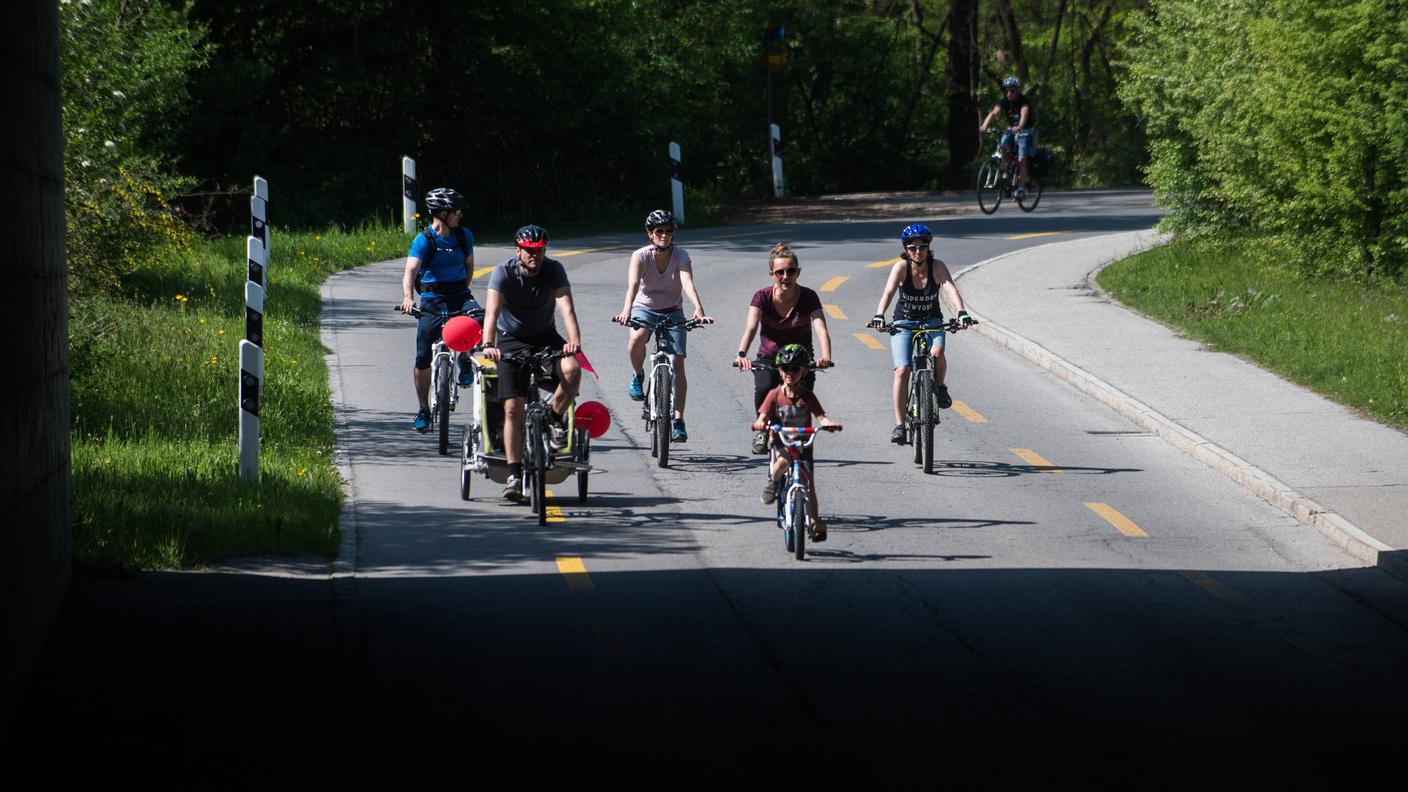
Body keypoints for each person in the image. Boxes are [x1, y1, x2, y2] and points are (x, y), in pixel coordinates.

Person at [480, 225, 583, 501]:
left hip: (545, 336)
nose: (534, 256)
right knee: (513, 408)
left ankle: (554, 418)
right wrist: (488, 344)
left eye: (539, 251)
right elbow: (491, 312)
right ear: (518, 250)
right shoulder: (503, 272)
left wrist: (573, 341)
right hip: (509, 339)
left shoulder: (554, 270)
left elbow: (566, 308)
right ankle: (513, 474)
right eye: (529, 251)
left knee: (572, 371)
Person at [611, 209, 713, 442]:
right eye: (659, 231)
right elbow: (633, 285)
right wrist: (626, 311)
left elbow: (687, 283)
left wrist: (698, 308)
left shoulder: (681, 255)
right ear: (650, 234)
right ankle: (638, 376)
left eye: (669, 231)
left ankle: (678, 420)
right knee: (637, 337)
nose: (665, 235)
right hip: (643, 309)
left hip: (672, 310)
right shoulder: (640, 256)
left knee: (678, 362)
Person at [866, 224, 974, 444]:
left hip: (931, 320)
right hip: (904, 321)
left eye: (922, 246)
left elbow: (950, 288)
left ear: (928, 247)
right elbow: (888, 292)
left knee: (937, 351)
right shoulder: (901, 267)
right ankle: (899, 425)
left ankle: (941, 387)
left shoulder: (937, 266)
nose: (917, 251)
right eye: (912, 247)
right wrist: (879, 315)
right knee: (902, 370)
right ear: (906, 248)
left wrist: (962, 312)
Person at [735, 242, 834, 455]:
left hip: (800, 358)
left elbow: (821, 328)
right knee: (765, 386)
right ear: (772, 274)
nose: (785, 276)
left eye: (791, 271)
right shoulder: (762, 297)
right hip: (770, 357)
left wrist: (826, 357)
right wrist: (742, 353)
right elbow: (751, 328)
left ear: (798, 273)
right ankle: (762, 429)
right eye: (780, 272)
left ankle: (798, 439)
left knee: (802, 397)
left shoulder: (809, 296)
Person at [399, 187, 481, 432]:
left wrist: (462, 294)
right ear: (443, 212)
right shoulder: (424, 239)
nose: (460, 215)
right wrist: (408, 298)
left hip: (459, 295)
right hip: (433, 300)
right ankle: (423, 409)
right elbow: (410, 271)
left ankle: (465, 359)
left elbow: (469, 268)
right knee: (423, 355)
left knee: (479, 318)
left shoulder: (464, 236)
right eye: (456, 211)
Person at [752, 344, 842, 542]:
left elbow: (821, 416)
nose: (790, 373)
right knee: (781, 465)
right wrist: (760, 423)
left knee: (809, 485)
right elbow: (764, 415)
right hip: (783, 443)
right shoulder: (775, 394)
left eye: (795, 369)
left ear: (804, 372)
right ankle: (773, 483)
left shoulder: (807, 396)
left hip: (803, 445)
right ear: (780, 371)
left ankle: (814, 521)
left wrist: (828, 424)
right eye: (785, 369)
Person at [979, 76, 1036, 197]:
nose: (1009, 93)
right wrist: (984, 125)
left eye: (1012, 91)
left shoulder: (1024, 101)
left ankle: (1021, 188)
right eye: (1007, 90)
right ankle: (1009, 169)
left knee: (1021, 159)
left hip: (1026, 130)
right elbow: (993, 113)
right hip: (1012, 130)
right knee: (1003, 147)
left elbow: (1024, 114)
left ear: (1017, 90)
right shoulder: (1004, 101)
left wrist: (1020, 126)